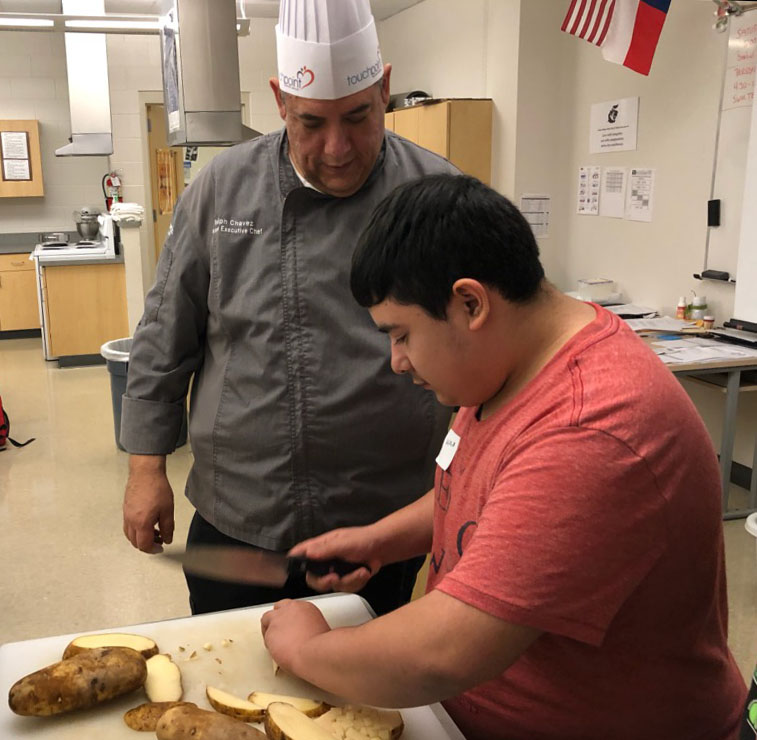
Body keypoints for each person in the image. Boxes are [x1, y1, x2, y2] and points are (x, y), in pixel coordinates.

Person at [260, 174, 748, 740]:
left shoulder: (590, 427)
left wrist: (310, 649)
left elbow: (444, 654)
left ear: (470, 302)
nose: (396, 361)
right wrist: (382, 539)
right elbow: (482, 490)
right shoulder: (508, 360)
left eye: (401, 335)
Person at [120, 0, 456, 617]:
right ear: (279, 101)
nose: (336, 148)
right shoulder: (222, 187)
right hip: (239, 510)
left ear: (384, 89)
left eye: (358, 118)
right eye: (309, 123)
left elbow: (481, 361)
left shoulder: (436, 196)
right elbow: (166, 333)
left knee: (366, 697)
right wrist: (146, 470)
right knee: (232, 678)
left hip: (382, 522)